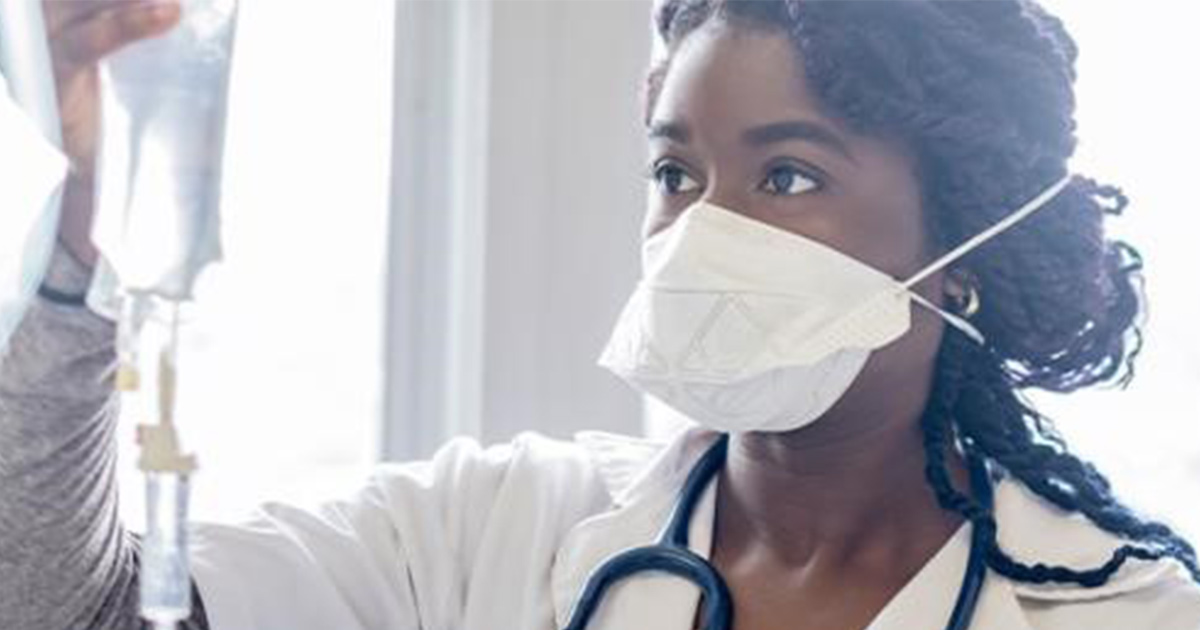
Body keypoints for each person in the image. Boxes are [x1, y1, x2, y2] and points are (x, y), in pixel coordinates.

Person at [2, 1, 1198, 629]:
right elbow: (70, 615)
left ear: (961, 247)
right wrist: (76, 261)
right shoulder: (488, 532)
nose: (697, 230)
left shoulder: (1130, 614)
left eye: (787, 176)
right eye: (676, 173)